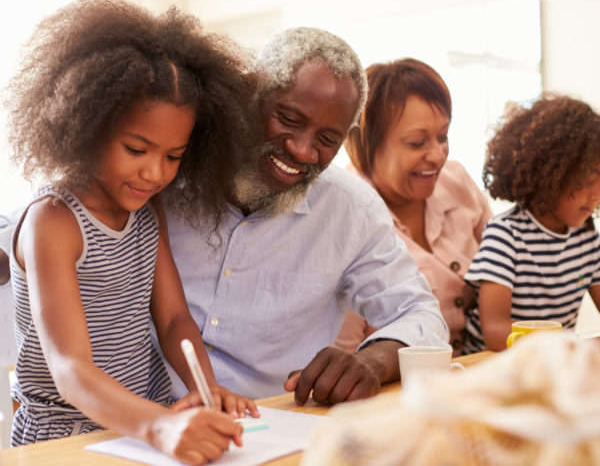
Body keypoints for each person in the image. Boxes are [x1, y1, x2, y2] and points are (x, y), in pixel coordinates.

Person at [4, 0, 260, 463]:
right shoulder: (54, 221)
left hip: (147, 419)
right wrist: (159, 427)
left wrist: (207, 388)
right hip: (66, 435)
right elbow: (69, 368)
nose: (154, 174)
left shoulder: (147, 209)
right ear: (88, 126)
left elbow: (173, 320)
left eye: (173, 156)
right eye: (136, 149)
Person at [160, 27, 450, 406]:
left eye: (328, 139)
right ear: (249, 94)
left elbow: (422, 315)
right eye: (289, 119)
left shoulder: (351, 210)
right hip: (135, 423)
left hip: (267, 425)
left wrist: (373, 360)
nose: (302, 150)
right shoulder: (165, 172)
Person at [334, 58, 492, 356]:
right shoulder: (344, 217)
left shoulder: (457, 182)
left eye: (443, 136)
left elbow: (507, 269)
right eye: (417, 143)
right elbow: (343, 358)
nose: (437, 155)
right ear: (366, 144)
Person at [463, 94, 600, 353]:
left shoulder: (587, 240)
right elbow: (495, 331)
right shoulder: (506, 235)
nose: (596, 194)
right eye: (587, 178)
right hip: (492, 366)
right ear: (550, 172)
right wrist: (571, 345)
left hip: (548, 364)